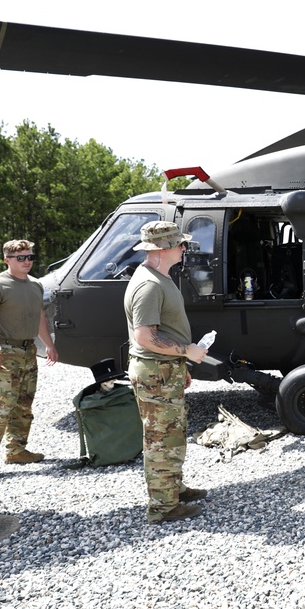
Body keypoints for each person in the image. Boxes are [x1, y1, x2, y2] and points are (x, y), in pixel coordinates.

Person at [123, 221, 209, 523]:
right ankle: (163, 508)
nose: (184, 248)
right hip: (155, 371)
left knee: (173, 434)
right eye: (179, 244)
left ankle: (173, 488)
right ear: (161, 249)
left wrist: (179, 365)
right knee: (161, 440)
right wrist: (187, 352)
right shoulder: (149, 285)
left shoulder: (159, 277)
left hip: (165, 369)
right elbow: (144, 337)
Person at [0, 240, 59, 479]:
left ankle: (16, 449)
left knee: (23, 403)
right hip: (5, 351)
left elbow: (39, 316)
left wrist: (48, 345)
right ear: (7, 259)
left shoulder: (35, 285)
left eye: (30, 256)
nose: (27, 261)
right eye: (21, 258)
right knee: (1, 405)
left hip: (28, 352)